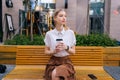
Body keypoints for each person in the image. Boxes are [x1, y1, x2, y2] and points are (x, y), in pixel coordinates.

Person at [44, 9, 76, 80]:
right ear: (55, 18)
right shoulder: (49, 34)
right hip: (53, 62)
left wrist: (66, 47)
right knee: (55, 75)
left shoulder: (70, 33)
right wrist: (54, 51)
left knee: (55, 74)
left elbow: (73, 52)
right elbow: (46, 52)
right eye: (61, 16)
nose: (64, 18)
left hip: (66, 62)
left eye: (65, 16)